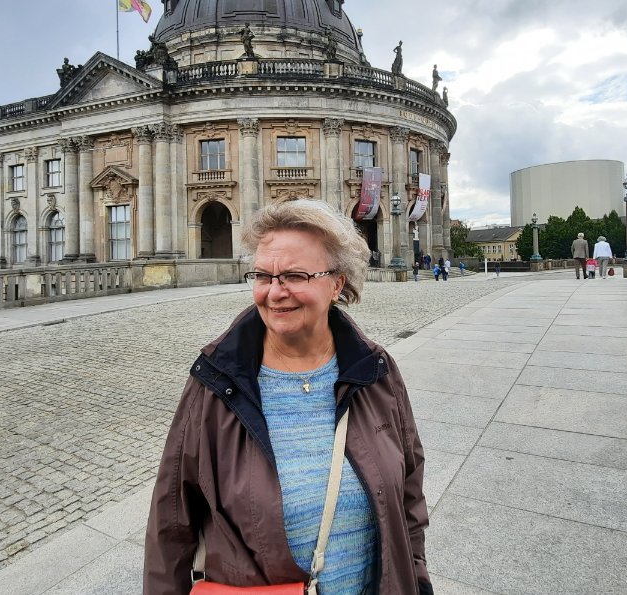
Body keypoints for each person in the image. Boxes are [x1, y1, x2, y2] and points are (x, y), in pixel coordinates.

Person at [144, 200, 431, 593]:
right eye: (263, 275)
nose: (275, 292)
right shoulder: (213, 383)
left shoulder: (377, 371)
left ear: (337, 284)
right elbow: (172, 523)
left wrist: (415, 577)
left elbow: (408, 496)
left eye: (295, 275)